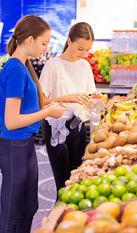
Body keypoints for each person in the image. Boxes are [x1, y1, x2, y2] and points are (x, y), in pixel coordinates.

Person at [0, 15, 66, 233]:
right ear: (30, 40)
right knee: (13, 210)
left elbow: (33, 104)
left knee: (29, 206)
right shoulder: (15, 69)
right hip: (13, 146)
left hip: (25, 145)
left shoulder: (24, 66)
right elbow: (11, 121)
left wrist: (57, 104)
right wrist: (47, 112)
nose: (46, 48)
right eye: (44, 43)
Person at [39, 22, 101, 200]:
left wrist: (94, 99)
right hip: (55, 128)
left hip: (79, 128)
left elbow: (88, 96)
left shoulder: (85, 66)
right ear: (69, 41)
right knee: (63, 184)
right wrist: (67, 97)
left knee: (77, 179)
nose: (84, 54)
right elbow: (41, 101)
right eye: (80, 48)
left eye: (87, 50)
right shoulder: (53, 65)